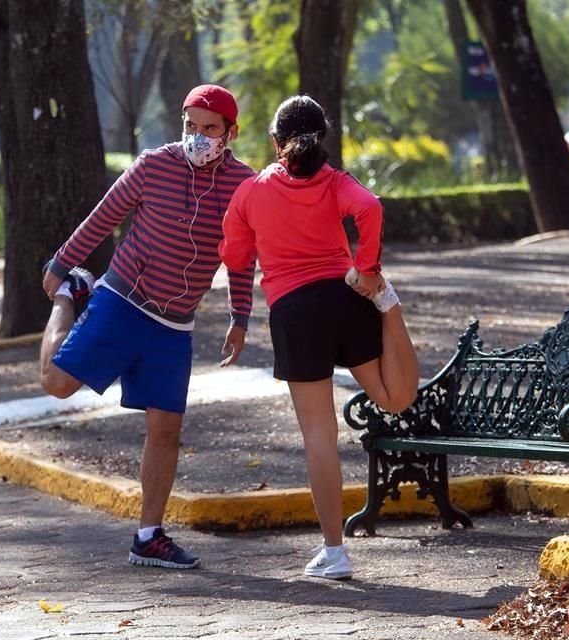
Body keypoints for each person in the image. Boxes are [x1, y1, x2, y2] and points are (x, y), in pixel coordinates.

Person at [40, 84, 256, 570]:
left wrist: (239, 317)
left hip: (174, 326)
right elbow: (103, 218)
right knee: (56, 383)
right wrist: (62, 264)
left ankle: (149, 536)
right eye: (190, 126)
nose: (197, 137)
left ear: (230, 133)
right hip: (121, 300)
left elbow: (241, 258)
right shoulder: (153, 165)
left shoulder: (245, 185)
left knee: (165, 431)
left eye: (209, 129)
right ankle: (68, 299)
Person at [219, 95, 420, 580]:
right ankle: (388, 301)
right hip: (346, 299)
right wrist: (368, 269)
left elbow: (236, 255)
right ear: (322, 138)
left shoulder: (251, 191)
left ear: (274, 142)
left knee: (319, 437)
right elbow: (369, 208)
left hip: (295, 312)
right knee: (394, 400)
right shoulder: (335, 182)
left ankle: (335, 553)